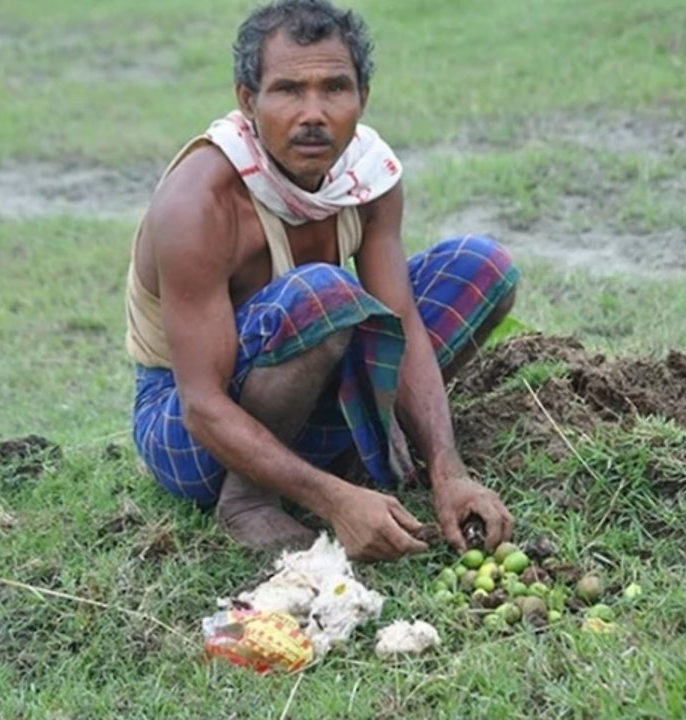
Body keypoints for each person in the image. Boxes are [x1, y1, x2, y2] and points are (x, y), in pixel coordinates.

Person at [125, 0, 520, 561]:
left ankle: (358, 448)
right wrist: (334, 502)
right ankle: (249, 501)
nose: (313, 113)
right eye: (288, 90)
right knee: (324, 294)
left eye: (335, 88)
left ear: (362, 97)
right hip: (190, 435)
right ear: (247, 100)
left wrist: (447, 471)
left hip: (315, 380)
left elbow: (400, 321)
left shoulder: (369, 177)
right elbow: (202, 406)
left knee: (482, 268)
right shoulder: (199, 203)